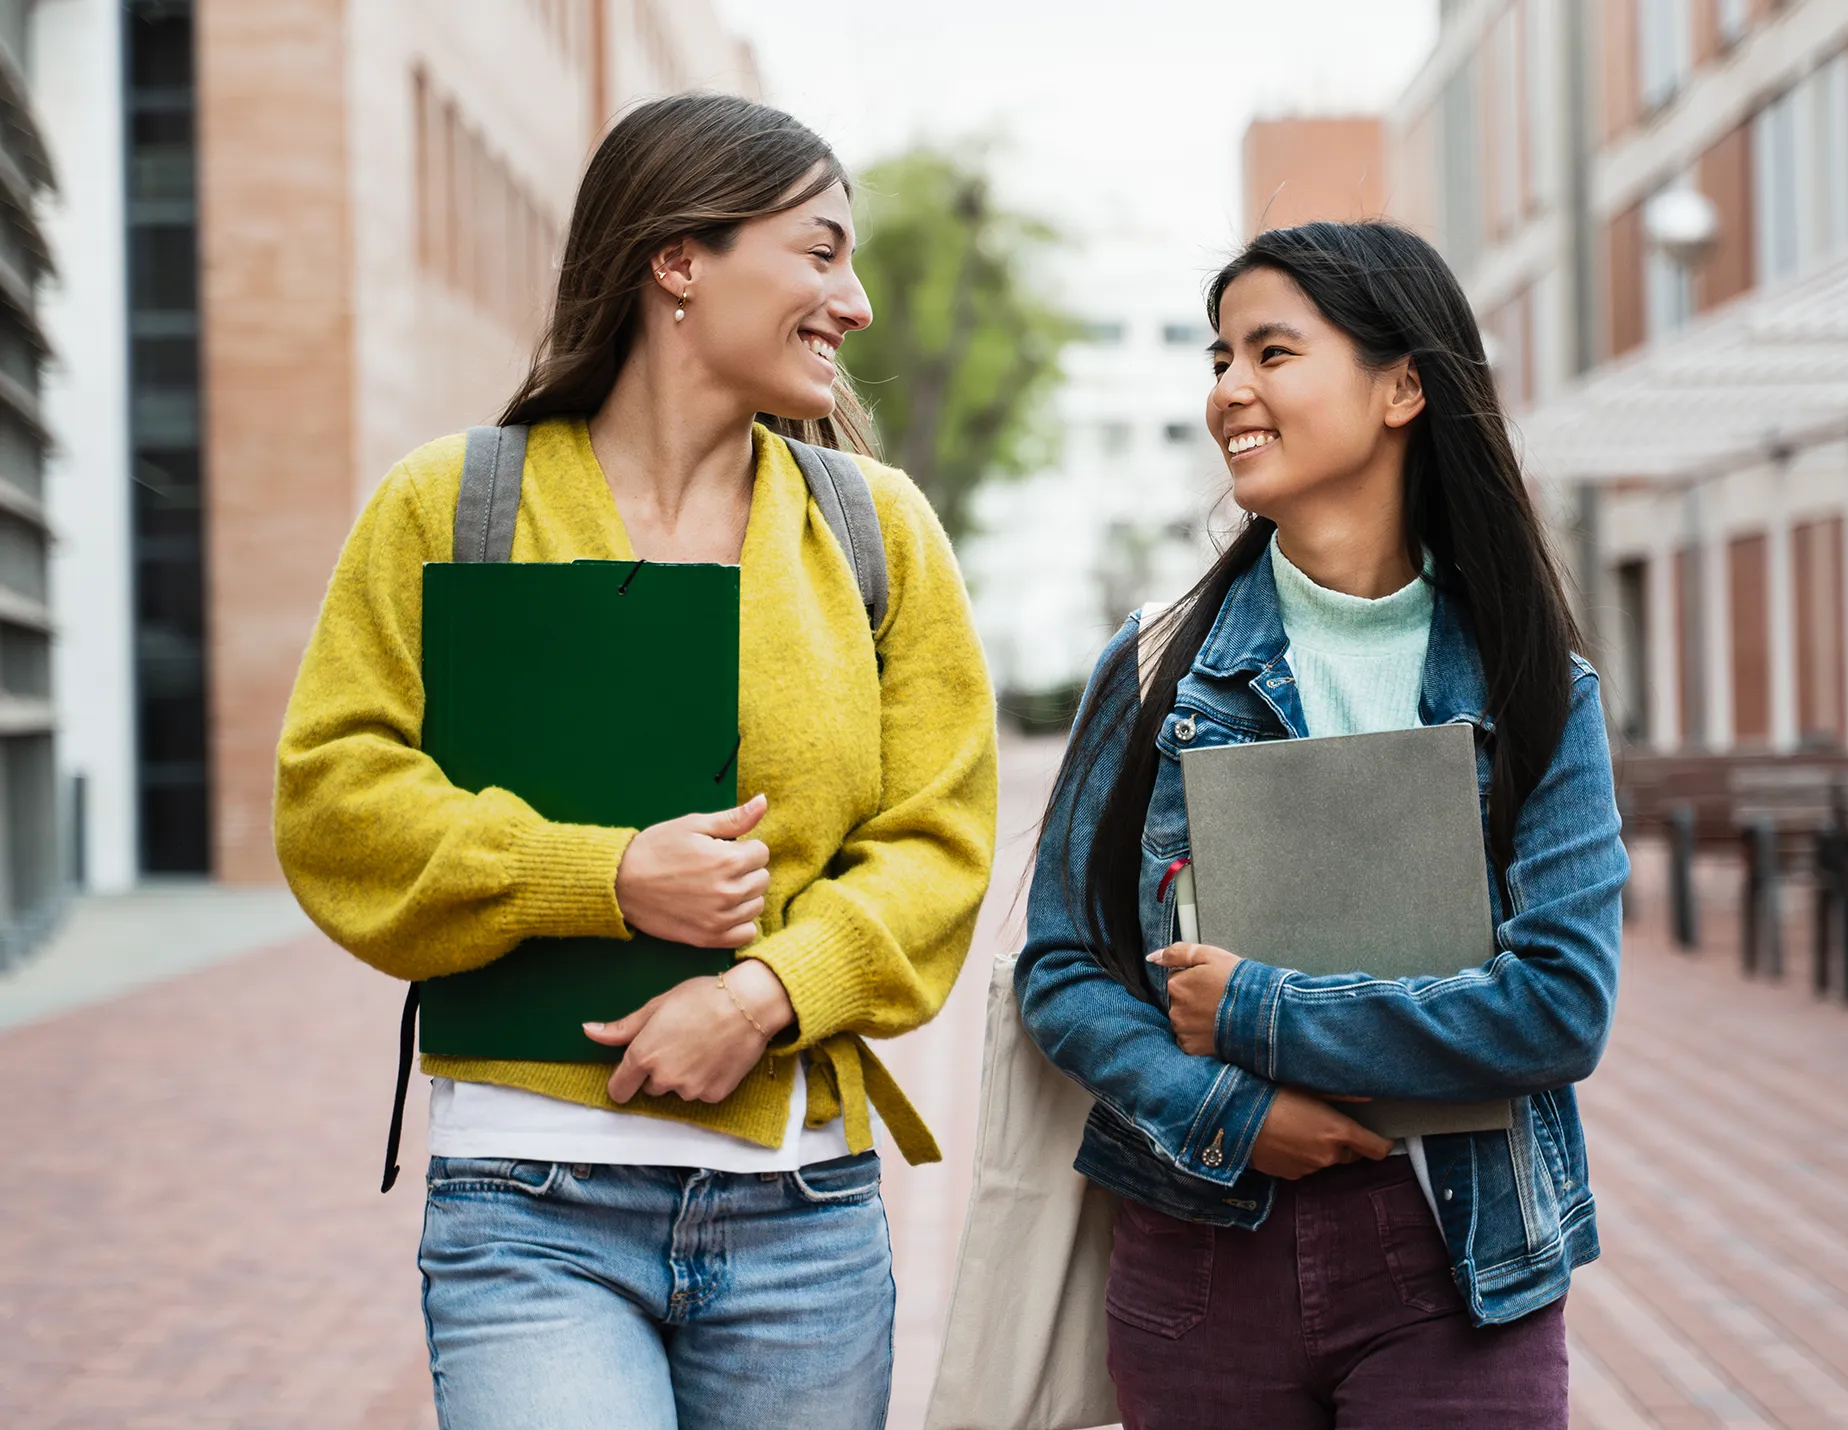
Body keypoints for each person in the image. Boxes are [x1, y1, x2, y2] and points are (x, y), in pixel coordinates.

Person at [274, 93, 997, 1429]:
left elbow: (940, 845)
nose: (857, 302)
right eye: (821, 251)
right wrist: (599, 875)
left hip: (804, 1210)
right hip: (528, 1204)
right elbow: (332, 793)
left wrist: (766, 992)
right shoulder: (451, 506)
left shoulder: (874, 531)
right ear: (679, 259)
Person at [1017, 220, 1628, 1428]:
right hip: (1199, 1252)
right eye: (1218, 357)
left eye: (1271, 351)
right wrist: (1234, 1111)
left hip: (1460, 1260)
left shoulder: (1532, 689)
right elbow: (1060, 969)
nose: (1228, 389)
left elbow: (1559, 1005)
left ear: (1402, 385)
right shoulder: (1149, 676)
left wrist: (1260, 1014)